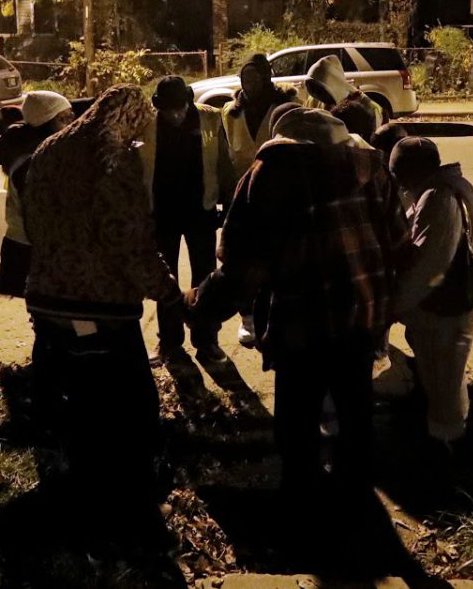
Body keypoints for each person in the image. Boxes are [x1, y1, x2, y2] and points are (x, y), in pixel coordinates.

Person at [188, 107, 410, 500]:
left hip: (300, 322)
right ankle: (355, 501)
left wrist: (200, 307)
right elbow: (398, 243)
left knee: (297, 420)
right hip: (362, 316)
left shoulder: (268, 174)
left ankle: (303, 505)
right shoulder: (373, 168)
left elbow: (244, 266)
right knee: (355, 411)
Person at [20, 85, 183, 519]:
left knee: (73, 394)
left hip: (45, 297)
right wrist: (167, 291)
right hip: (99, 306)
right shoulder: (114, 159)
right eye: (140, 127)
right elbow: (126, 239)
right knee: (130, 400)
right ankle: (129, 493)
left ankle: (74, 477)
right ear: (128, 120)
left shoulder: (51, 148)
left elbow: (32, 219)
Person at [388, 137, 473, 449]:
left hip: (446, 313)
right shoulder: (448, 187)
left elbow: (426, 268)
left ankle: (448, 450)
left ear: (408, 172)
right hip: (452, 305)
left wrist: (393, 307)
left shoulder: (436, 200)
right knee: (443, 379)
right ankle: (449, 435)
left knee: (443, 385)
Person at [139, 75, 232, 363]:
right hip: (162, 213)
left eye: (179, 108)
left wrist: (228, 208)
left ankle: (206, 341)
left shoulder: (211, 118)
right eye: (169, 110)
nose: (175, 115)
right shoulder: (147, 124)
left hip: (200, 211)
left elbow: (224, 163)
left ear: (188, 101)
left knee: (205, 280)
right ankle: (169, 342)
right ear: (159, 107)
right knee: (165, 281)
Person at [220, 55, 298, 347]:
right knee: (240, 260)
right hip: (241, 199)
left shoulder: (285, 109)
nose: (248, 84)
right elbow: (225, 157)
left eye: (254, 78)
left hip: (278, 198)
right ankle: (248, 318)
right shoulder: (230, 112)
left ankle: (275, 317)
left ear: (267, 78)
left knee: (275, 261)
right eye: (244, 78)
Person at [0, 91, 74, 298]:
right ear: (45, 124)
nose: (71, 124)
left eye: (72, 116)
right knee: (49, 313)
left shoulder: (40, 152)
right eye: (63, 119)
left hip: (31, 247)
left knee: (48, 314)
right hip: (30, 251)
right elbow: (43, 217)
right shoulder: (33, 163)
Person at [303, 54, 384, 142]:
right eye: (312, 88)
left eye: (319, 88)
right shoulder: (313, 100)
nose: (315, 93)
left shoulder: (366, 106)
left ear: (332, 84)